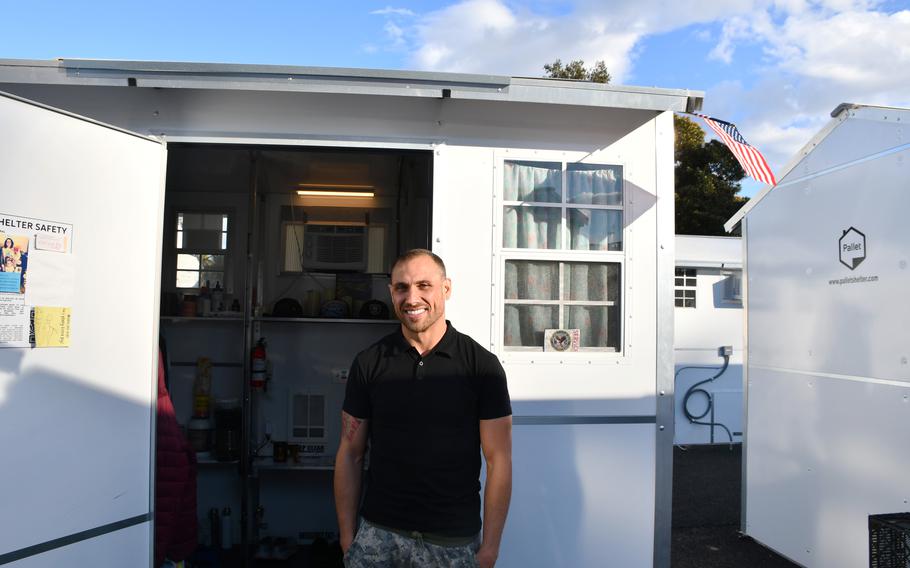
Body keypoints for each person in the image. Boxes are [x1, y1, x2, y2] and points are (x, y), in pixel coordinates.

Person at [334, 249, 512, 568]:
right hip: (379, 536)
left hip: (452, 542)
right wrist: (348, 539)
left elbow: (498, 459)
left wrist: (490, 549)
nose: (411, 298)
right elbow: (350, 452)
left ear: (446, 289)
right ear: (391, 293)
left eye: (423, 285)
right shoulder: (369, 363)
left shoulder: (481, 367)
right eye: (401, 287)